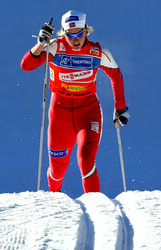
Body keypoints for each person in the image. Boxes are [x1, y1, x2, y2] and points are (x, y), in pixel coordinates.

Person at [21, 10, 130, 193]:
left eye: (80, 33)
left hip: (88, 112)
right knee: (57, 171)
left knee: (86, 160)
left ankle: (96, 206)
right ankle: (54, 204)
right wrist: (39, 45)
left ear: (86, 31)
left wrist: (120, 108)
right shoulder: (55, 47)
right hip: (59, 114)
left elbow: (115, 74)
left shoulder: (97, 51)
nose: (76, 39)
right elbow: (26, 66)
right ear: (63, 32)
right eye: (71, 34)